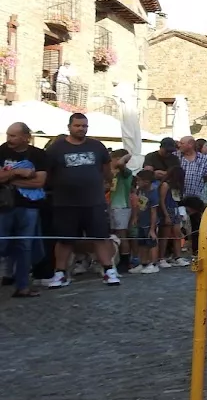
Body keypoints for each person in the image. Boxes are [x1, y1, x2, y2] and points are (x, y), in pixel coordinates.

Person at [45, 113, 119, 288]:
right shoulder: (56, 148)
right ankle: (60, 273)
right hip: (65, 202)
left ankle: (109, 270)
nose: (81, 129)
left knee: (100, 237)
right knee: (64, 240)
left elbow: (106, 170)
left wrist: (106, 184)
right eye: (77, 125)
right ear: (69, 126)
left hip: (93, 201)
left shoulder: (96, 146)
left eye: (84, 126)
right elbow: (49, 173)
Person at [0, 122, 48, 298]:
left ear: (25, 137)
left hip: (29, 206)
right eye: (8, 135)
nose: (9, 139)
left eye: (13, 136)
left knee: (24, 246)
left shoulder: (38, 155)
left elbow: (39, 182)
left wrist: (8, 178)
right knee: (2, 244)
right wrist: (18, 172)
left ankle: (22, 286)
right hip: (4, 206)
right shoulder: (2, 151)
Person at [128, 168, 161, 274]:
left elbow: (153, 212)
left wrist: (152, 229)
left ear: (146, 181)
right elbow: (139, 205)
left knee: (151, 243)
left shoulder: (153, 193)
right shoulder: (141, 190)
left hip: (149, 223)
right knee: (141, 243)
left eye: (139, 180)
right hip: (141, 221)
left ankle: (154, 263)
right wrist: (135, 217)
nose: (137, 182)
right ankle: (143, 263)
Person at [109, 149, 135, 272]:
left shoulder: (126, 172)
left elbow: (120, 163)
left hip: (121, 206)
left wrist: (125, 157)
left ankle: (125, 261)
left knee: (122, 234)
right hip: (109, 206)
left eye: (113, 159)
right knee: (112, 234)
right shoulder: (110, 172)